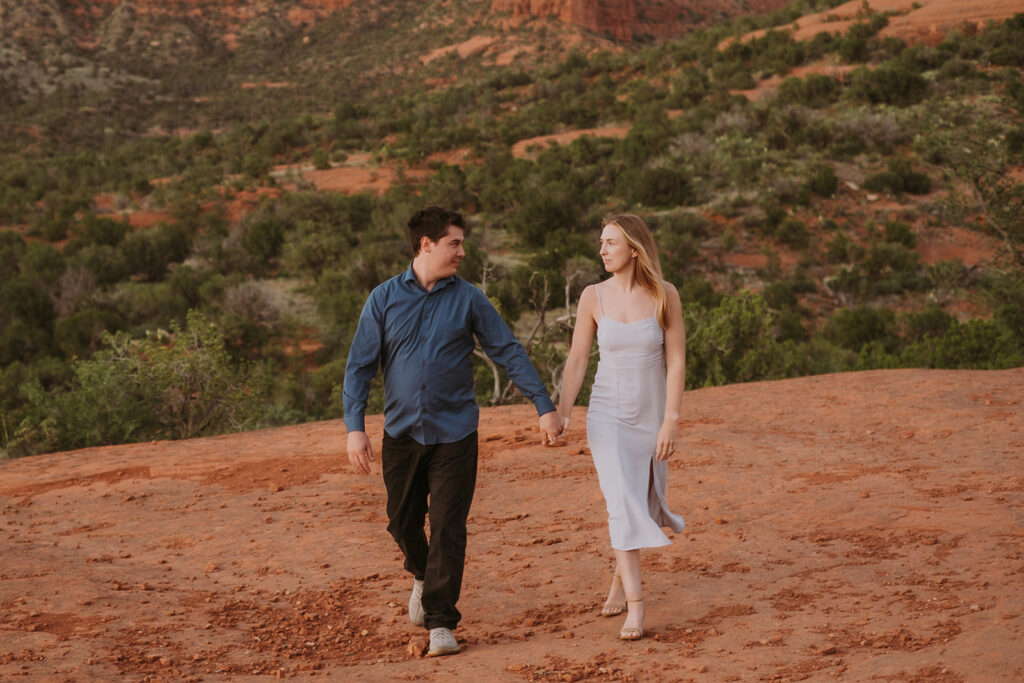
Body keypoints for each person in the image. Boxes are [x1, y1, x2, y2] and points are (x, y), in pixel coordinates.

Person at [344, 206, 563, 657]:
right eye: (455, 243)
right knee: (401, 522)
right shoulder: (383, 298)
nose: (462, 252)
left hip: (456, 435)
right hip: (401, 434)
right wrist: (354, 427)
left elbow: (507, 350)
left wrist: (543, 406)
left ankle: (441, 623)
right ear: (427, 245)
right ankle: (423, 575)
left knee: (447, 528)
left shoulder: (469, 299)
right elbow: (360, 366)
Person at [556, 213, 686, 641]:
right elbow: (578, 359)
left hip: (651, 415)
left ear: (634, 248)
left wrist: (670, 421)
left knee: (641, 500)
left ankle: (618, 577)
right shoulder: (593, 296)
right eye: (601, 242)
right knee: (619, 502)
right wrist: (563, 411)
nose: (602, 250)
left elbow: (676, 361)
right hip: (607, 415)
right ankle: (636, 605)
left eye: (610, 242)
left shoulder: (665, 294)